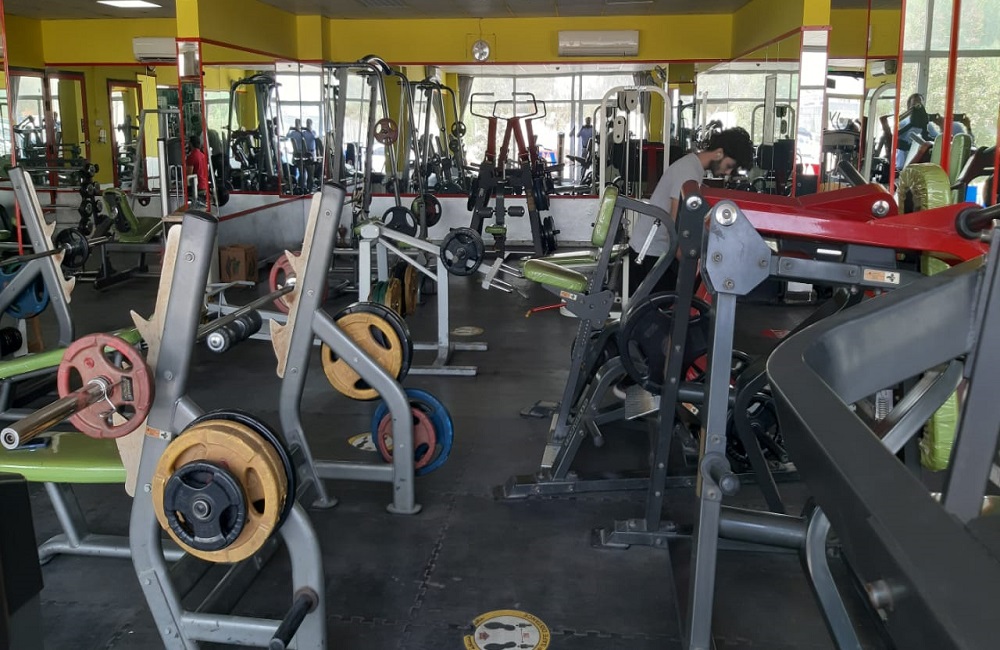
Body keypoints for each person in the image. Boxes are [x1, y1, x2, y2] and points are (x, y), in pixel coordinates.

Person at [628, 127, 754, 294]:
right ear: (719, 153)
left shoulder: (693, 167)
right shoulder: (688, 172)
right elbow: (675, 228)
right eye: (729, 166)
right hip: (647, 254)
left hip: (656, 251)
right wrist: (696, 264)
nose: (728, 172)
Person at [186, 135, 209, 207]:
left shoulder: (192, 156)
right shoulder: (203, 156)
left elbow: (188, 175)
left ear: (190, 144)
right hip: (204, 186)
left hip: (196, 188)